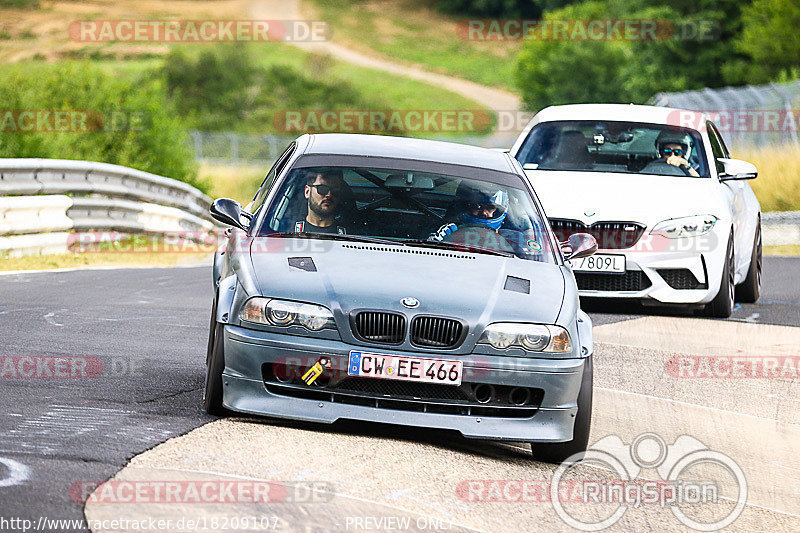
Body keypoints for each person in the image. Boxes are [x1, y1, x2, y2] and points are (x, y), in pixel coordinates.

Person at [428, 181, 509, 241]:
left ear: (497, 210)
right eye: (478, 206)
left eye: (490, 208)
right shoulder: (449, 231)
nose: (484, 213)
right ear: (465, 207)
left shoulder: (506, 237)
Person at [294, 168, 349, 234]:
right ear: (307, 192)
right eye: (322, 189)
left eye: (335, 191)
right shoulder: (288, 230)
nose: (329, 195)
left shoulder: (350, 235)